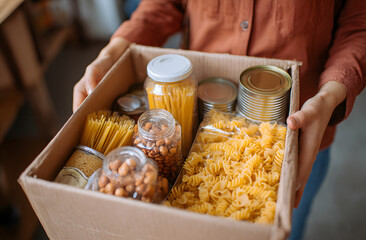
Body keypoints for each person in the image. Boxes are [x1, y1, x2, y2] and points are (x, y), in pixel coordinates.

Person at [73, 1, 366, 239]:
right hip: (204, 128)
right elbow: (162, 5)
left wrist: (329, 97)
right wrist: (111, 51)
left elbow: (358, 25)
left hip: (298, 132)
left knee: (284, 229)